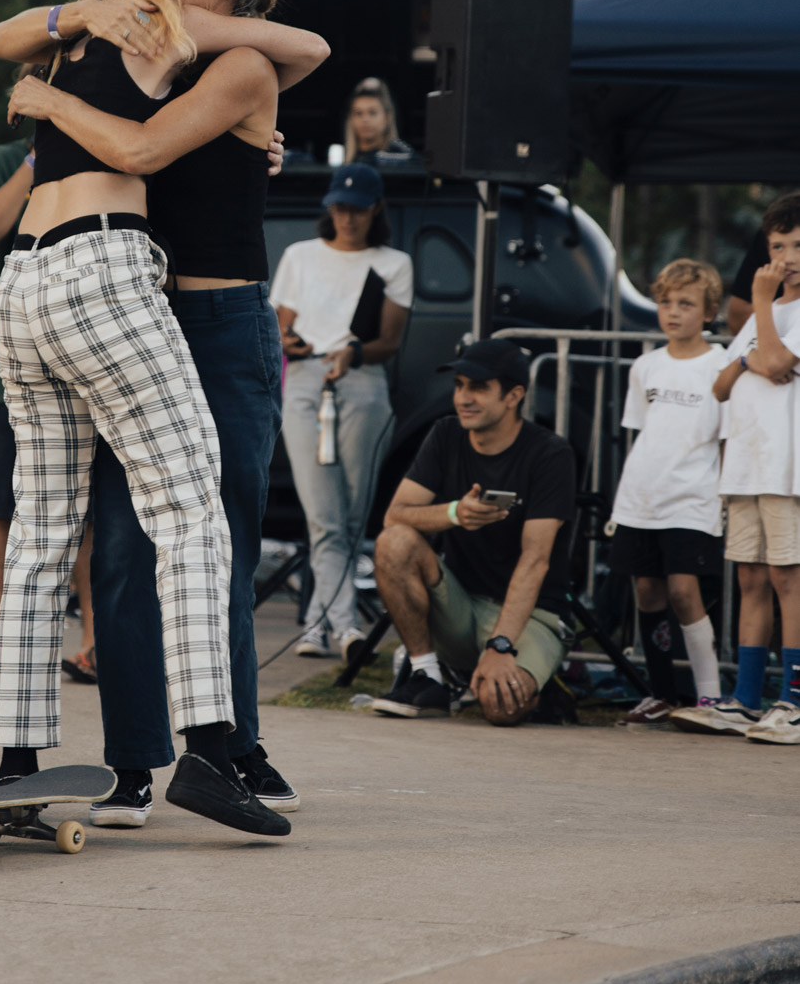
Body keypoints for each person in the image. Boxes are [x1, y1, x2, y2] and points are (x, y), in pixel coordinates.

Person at [0, 0, 329, 826]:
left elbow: (289, 57)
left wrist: (52, 94)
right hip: (130, 304)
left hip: (215, 317)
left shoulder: (234, 61)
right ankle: (134, 762)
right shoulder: (147, 43)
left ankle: (231, 746)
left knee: (209, 534)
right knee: (120, 545)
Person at [370, 340, 576, 725]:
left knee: (501, 708)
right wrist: (454, 513)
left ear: (514, 395)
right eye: (460, 385)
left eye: (478, 387)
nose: (463, 397)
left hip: (532, 615)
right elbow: (395, 516)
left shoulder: (550, 453)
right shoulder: (445, 434)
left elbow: (536, 560)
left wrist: (501, 644)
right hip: (461, 605)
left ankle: (535, 682)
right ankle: (426, 675)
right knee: (394, 541)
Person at [0, 120, 96, 678]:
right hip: (10, 367)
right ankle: (2, 640)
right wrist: (38, 160)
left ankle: (93, 641)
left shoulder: (102, 138)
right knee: (4, 507)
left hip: (87, 352)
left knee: (89, 509)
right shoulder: (5, 158)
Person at [271, 161, 413, 661]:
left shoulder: (392, 263)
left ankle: (317, 625)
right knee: (323, 516)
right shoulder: (300, 255)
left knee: (352, 516)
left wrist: (353, 352)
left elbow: (389, 342)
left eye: (356, 210)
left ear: (375, 211)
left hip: (361, 381)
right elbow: (282, 327)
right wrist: (290, 340)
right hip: (308, 382)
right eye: (339, 208)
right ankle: (346, 627)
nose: (347, 218)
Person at [675, 192, 800, 742]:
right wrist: (750, 354)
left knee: (787, 579)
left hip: (787, 467)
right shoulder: (763, 316)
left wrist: (760, 303)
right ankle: (745, 699)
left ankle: (793, 699)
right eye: (777, 246)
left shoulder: (768, 307)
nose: (787, 256)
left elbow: (774, 361)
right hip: (746, 466)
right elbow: (723, 384)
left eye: (798, 245)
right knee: (750, 576)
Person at [606, 259, 727, 724]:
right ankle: (660, 694)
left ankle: (711, 697)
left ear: (709, 310)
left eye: (686, 303)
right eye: (665, 301)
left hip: (693, 499)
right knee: (648, 592)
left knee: (683, 591)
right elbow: (642, 433)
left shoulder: (720, 366)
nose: (673, 312)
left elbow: (725, 439)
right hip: (641, 499)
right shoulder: (645, 365)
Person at [342, 77, 413, 164]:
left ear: (387, 117)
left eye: (372, 113)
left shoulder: (404, 155)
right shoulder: (340, 157)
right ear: (351, 119)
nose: (365, 119)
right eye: (358, 113)